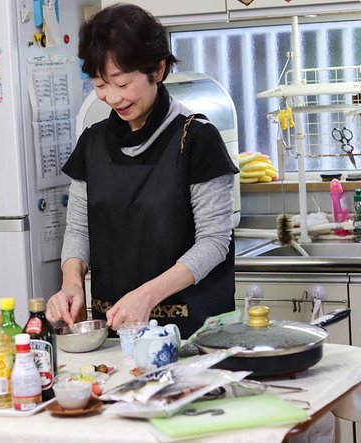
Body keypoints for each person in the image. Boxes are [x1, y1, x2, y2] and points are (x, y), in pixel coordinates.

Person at [45, 4, 239, 339]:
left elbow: (215, 240)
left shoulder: (196, 138)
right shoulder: (92, 144)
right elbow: (79, 230)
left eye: (121, 82)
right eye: (100, 84)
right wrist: (72, 282)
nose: (111, 97)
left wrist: (147, 296)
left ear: (158, 69)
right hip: (115, 335)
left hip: (192, 335)